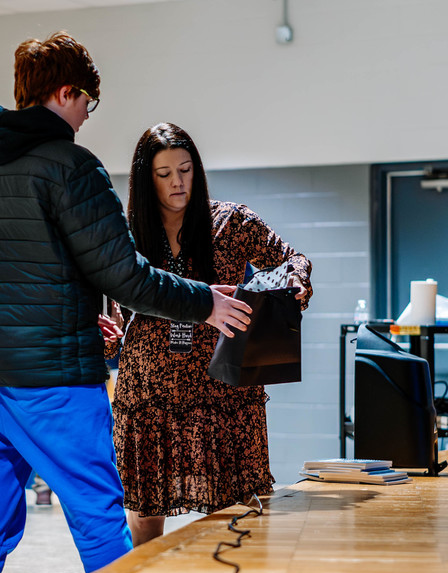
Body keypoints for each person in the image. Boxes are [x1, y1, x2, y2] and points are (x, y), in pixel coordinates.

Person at [0, 34, 252, 573]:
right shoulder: (70, 167)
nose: (87, 116)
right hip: (51, 381)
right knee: (100, 514)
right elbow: (127, 275)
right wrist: (206, 303)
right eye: (88, 103)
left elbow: (0, 273)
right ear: (65, 93)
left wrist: (82, 311)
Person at [102, 122, 312, 547]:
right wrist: (104, 335)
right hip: (149, 391)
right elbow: (116, 318)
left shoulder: (232, 221)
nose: (178, 182)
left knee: (233, 511)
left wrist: (295, 284)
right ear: (147, 181)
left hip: (222, 390)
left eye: (186, 169)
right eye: (164, 174)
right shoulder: (126, 234)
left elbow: (291, 259)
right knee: (144, 511)